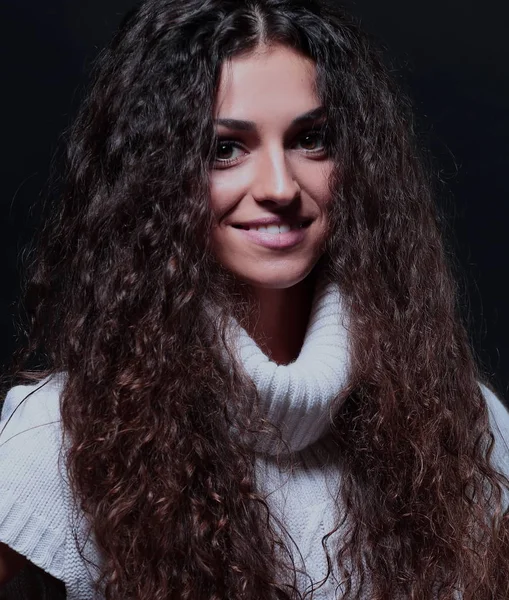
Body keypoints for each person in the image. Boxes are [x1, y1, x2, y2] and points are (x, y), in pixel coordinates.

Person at [1, 0, 508, 598]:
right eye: (224, 149)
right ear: (154, 177)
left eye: (311, 140)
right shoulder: (61, 438)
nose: (279, 187)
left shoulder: (461, 423)